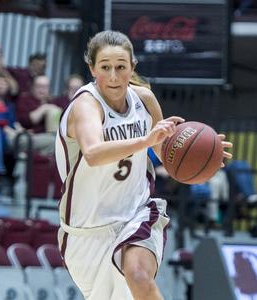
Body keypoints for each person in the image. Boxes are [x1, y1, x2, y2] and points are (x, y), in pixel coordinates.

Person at [55, 30, 232, 300]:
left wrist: (204, 154)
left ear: (132, 67)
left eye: (120, 67)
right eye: (105, 67)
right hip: (84, 231)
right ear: (92, 69)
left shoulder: (145, 100)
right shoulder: (86, 105)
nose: (113, 76)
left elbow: (164, 153)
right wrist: (144, 140)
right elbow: (92, 153)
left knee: (139, 276)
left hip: (135, 212)